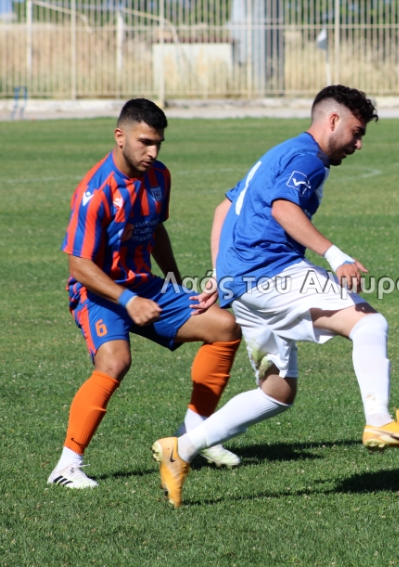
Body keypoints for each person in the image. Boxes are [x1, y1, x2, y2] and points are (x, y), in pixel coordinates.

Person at [151, 85, 399, 508]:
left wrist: (221, 275)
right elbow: (283, 208)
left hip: (245, 286)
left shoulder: (280, 152)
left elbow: (223, 209)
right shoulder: (308, 158)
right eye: (356, 133)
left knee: (276, 392)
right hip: (273, 273)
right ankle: (379, 421)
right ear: (333, 121)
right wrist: (336, 255)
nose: (358, 144)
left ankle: (181, 448)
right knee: (370, 324)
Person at [48, 99, 243, 489]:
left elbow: (156, 230)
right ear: (120, 137)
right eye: (145, 142)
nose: (152, 152)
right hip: (98, 291)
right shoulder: (96, 190)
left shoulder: (159, 176)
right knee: (115, 361)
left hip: (145, 285)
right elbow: (79, 265)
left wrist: (174, 281)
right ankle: (66, 466)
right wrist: (127, 300)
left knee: (224, 326)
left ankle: (193, 436)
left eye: (158, 143)